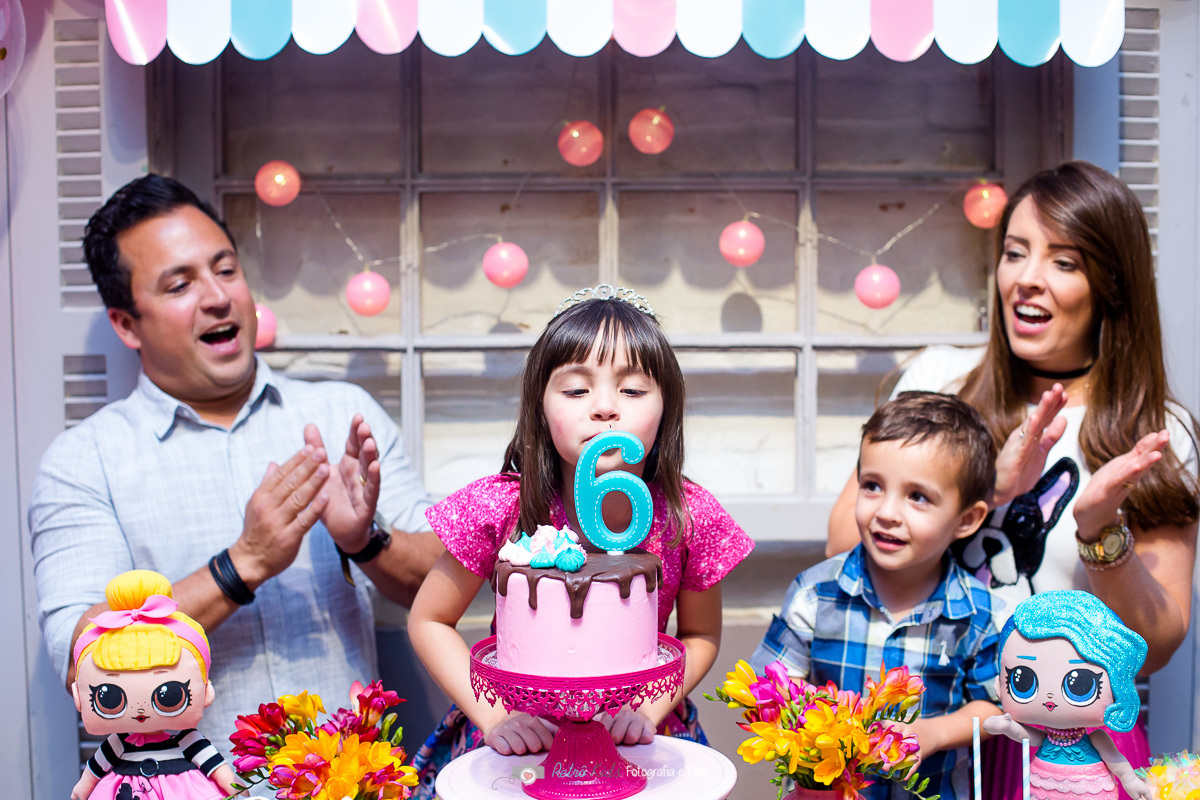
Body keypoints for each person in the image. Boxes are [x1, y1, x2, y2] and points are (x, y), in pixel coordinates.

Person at [30, 174, 443, 754]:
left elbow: (439, 580)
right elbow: (83, 660)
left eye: (225, 270)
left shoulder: (340, 414)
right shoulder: (83, 462)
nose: (217, 297)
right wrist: (241, 564)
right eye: (180, 285)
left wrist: (366, 541)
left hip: (354, 783)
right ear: (126, 323)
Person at [825, 161, 1200, 794]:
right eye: (1015, 253)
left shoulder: (1155, 431)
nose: (1026, 279)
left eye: (1064, 261)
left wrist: (1098, 532)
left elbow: (1156, 646)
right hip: (932, 732)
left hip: (1070, 749)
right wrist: (989, 492)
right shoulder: (940, 381)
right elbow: (839, 549)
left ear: (1111, 284)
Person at [406, 286, 755, 798]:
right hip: (521, 742)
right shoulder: (502, 505)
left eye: (632, 390)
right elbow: (429, 619)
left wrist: (650, 708)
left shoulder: (688, 515)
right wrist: (496, 716)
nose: (605, 407)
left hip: (638, 738)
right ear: (540, 405)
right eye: (576, 391)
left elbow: (701, 634)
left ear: (668, 407)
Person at [752, 391, 1002, 800]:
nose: (886, 512)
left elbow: (992, 706)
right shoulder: (815, 594)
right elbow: (771, 684)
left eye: (917, 496)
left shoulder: (980, 614)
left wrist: (933, 733)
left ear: (966, 519)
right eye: (872, 486)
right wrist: (822, 719)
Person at [71, 570, 240, 800]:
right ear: (79, 697)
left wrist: (236, 787)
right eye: (109, 697)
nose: (140, 710)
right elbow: (93, 772)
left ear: (206, 692)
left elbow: (216, 768)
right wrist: (80, 791)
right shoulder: (118, 744)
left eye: (169, 695)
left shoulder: (188, 741)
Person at [985, 590, 1151, 800]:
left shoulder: (1098, 737)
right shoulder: (1047, 737)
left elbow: (1115, 759)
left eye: (1081, 684)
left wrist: (1130, 780)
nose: (1050, 696)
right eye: (1022, 680)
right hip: (1043, 787)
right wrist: (1007, 727)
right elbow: (1028, 737)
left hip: (1089, 791)